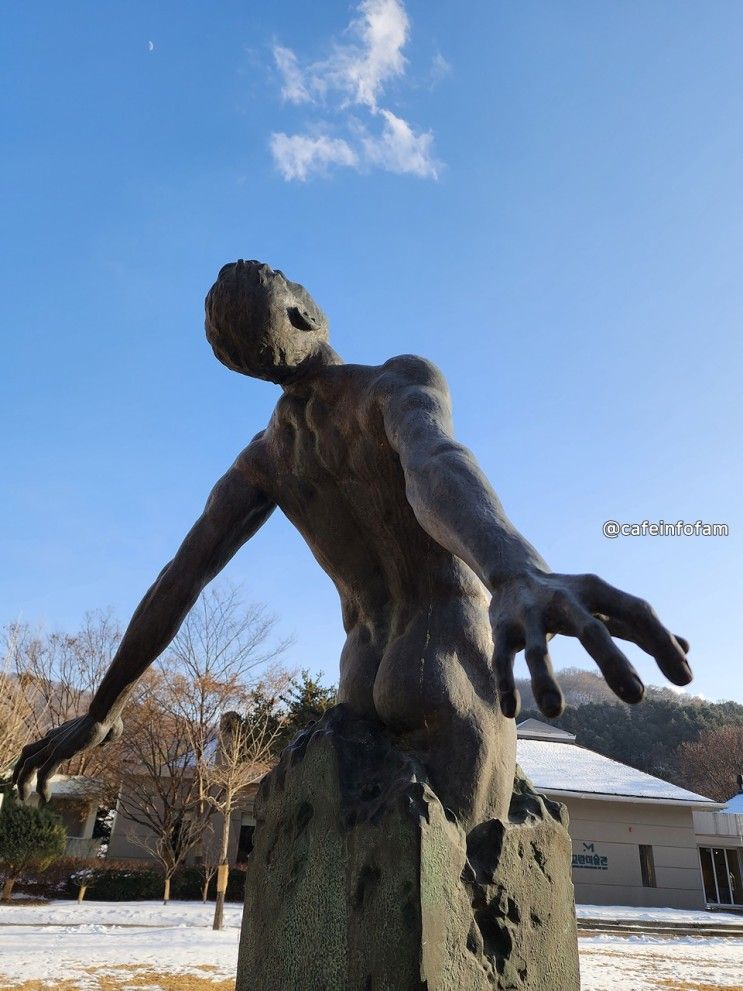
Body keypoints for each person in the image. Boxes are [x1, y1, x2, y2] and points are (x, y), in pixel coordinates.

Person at [14, 260, 692, 830]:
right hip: (442, 651)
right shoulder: (392, 385)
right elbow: (433, 466)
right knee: (461, 878)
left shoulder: (265, 459)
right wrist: (511, 568)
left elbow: (178, 582)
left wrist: (105, 711)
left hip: (359, 670)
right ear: (302, 313)